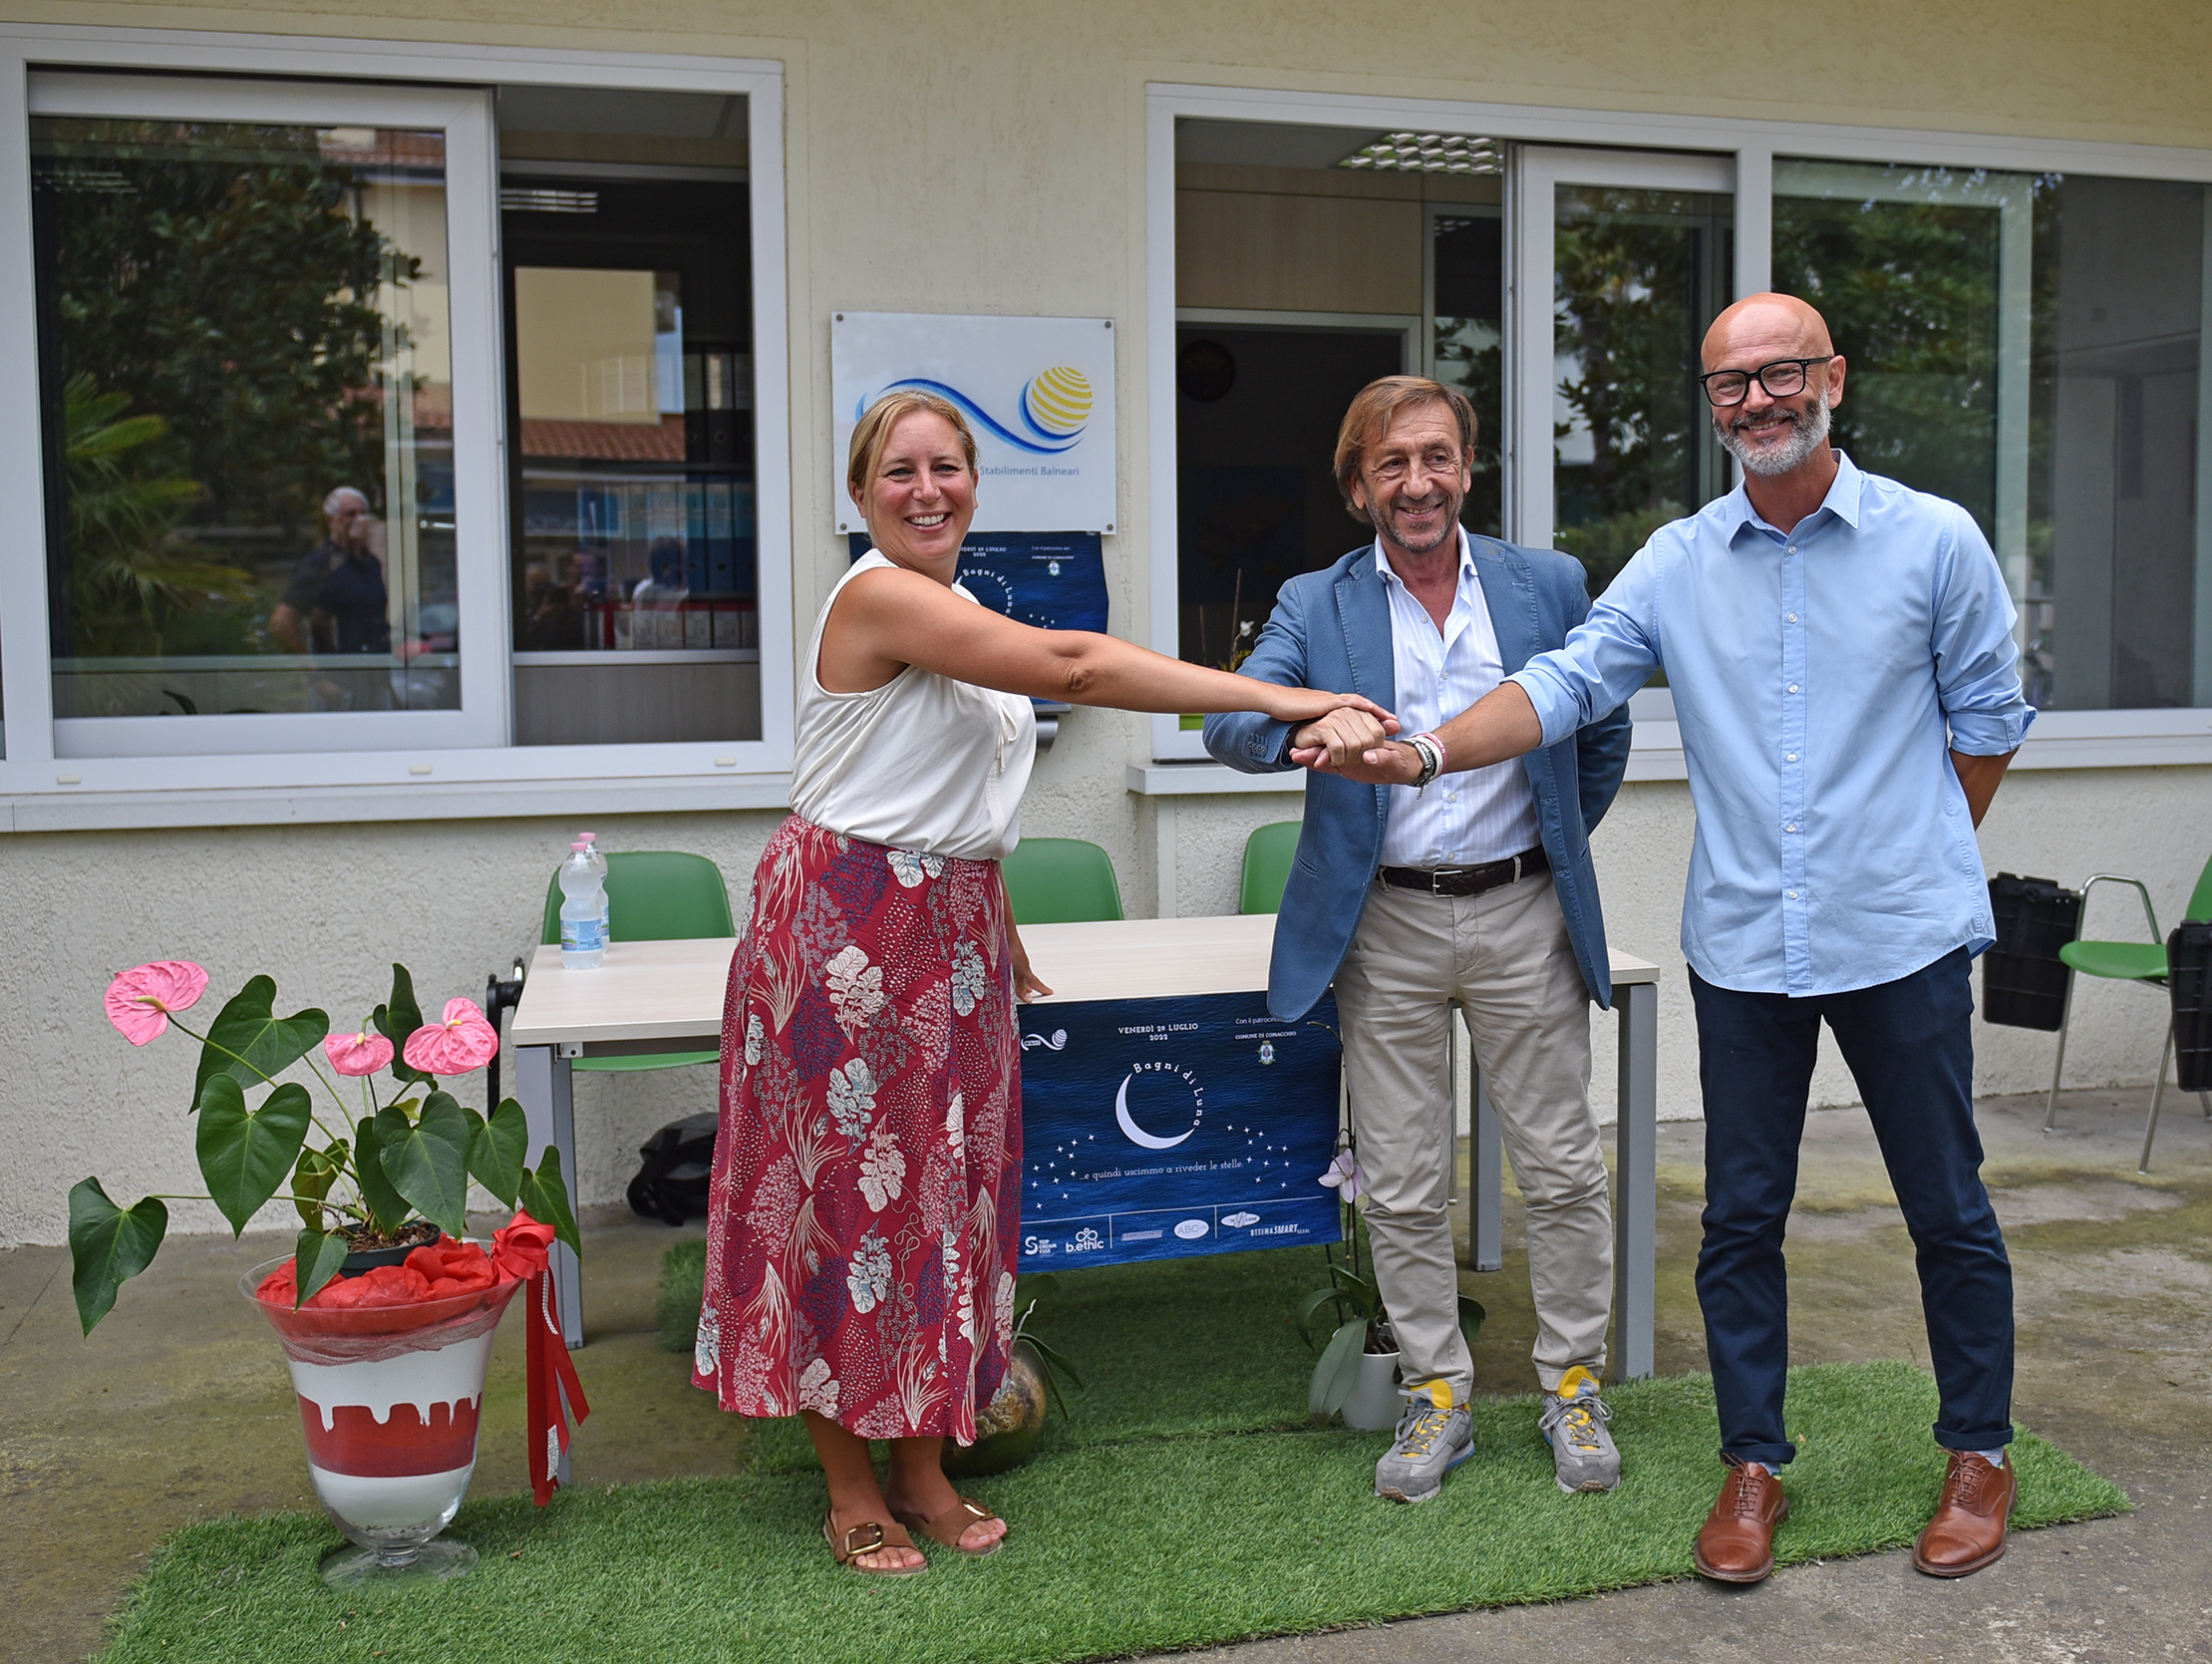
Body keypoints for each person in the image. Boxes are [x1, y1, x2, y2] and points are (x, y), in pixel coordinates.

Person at [1303, 295, 2034, 1579]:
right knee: (1743, 1217)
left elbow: (1985, 720)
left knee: (1946, 1210)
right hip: (1747, 944)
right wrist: (1424, 751)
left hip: (1903, 937)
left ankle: (1977, 1451)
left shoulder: (1936, 542)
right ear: (1714, 407)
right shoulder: (1677, 559)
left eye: (1781, 374)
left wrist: (1906, 845)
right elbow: (1565, 684)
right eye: (1730, 385)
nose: (1757, 401)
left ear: (1832, 380)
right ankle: (1751, 1465)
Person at [694, 388, 1391, 1577]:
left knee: (944, 1202)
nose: (927, 489)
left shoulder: (958, 605)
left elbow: (953, 789)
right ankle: (849, 1480)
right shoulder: (876, 597)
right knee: (844, 1205)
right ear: (860, 498)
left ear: (974, 483)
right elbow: (1074, 661)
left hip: (947, 932)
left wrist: (993, 918)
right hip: (847, 935)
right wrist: (1285, 698)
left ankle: (922, 1465)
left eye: (948, 468)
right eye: (899, 472)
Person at [1204, 376, 1633, 1503]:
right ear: (1358, 487)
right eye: (1390, 465)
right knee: (1397, 1179)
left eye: (1435, 457)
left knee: (1561, 1163)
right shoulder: (1319, 599)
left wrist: (1548, 845)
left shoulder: (1546, 585)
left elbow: (1601, 722)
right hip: (1382, 921)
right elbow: (1227, 719)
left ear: (1467, 467)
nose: (1417, 483)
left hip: (1521, 911)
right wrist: (1310, 713)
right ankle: (1436, 1393)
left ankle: (1571, 1384)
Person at [270, 488, 390, 706]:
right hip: (338, 687)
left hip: (376, 682)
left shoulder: (370, 562)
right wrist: (318, 678)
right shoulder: (320, 565)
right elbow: (281, 624)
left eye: (363, 513)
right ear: (331, 520)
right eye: (350, 514)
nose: (359, 520)